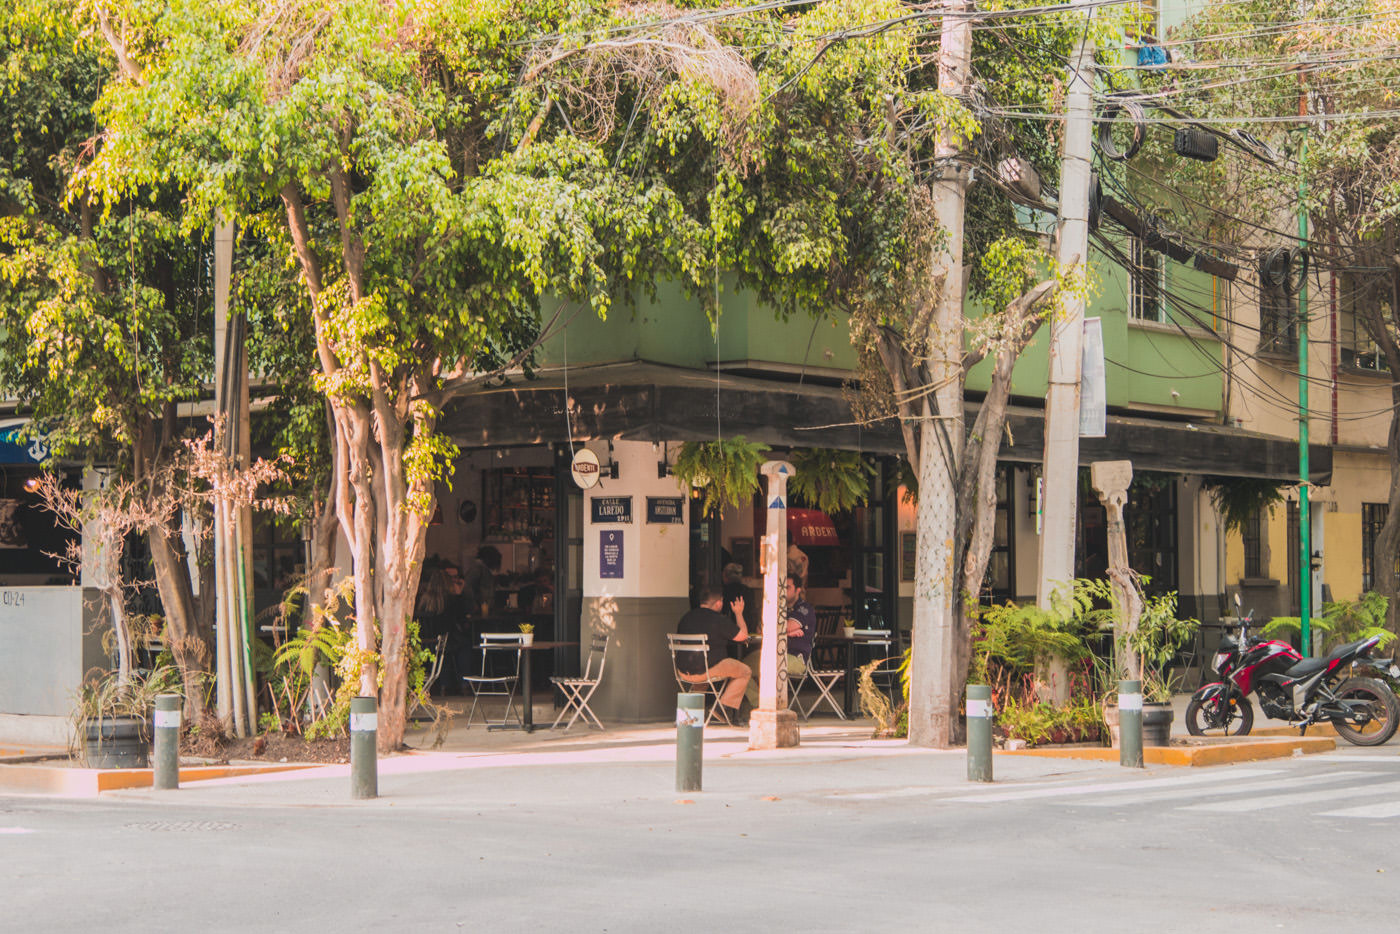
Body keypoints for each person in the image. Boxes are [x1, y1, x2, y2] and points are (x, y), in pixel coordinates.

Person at [675, 583, 751, 724]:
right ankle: (723, 709)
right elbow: (743, 637)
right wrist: (739, 613)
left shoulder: (686, 618)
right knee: (745, 671)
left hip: (684, 671)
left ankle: (688, 715)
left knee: (702, 675)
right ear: (718, 603)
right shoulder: (719, 619)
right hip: (707, 669)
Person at [744, 572, 815, 709]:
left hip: (795, 659)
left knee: (767, 664)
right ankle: (759, 704)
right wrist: (787, 632)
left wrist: (786, 629)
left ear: (798, 590)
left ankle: (769, 707)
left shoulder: (805, 608)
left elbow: (787, 626)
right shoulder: (777, 608)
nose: (783, 591)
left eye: (787, 587)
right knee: (742, 668)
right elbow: (761, 629)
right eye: (781, 587)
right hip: (772, 655)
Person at [462, 545, 501, 617]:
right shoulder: (478, 568)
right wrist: (474, 605)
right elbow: (467, 587)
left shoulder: (480, 568)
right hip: (478, 610)